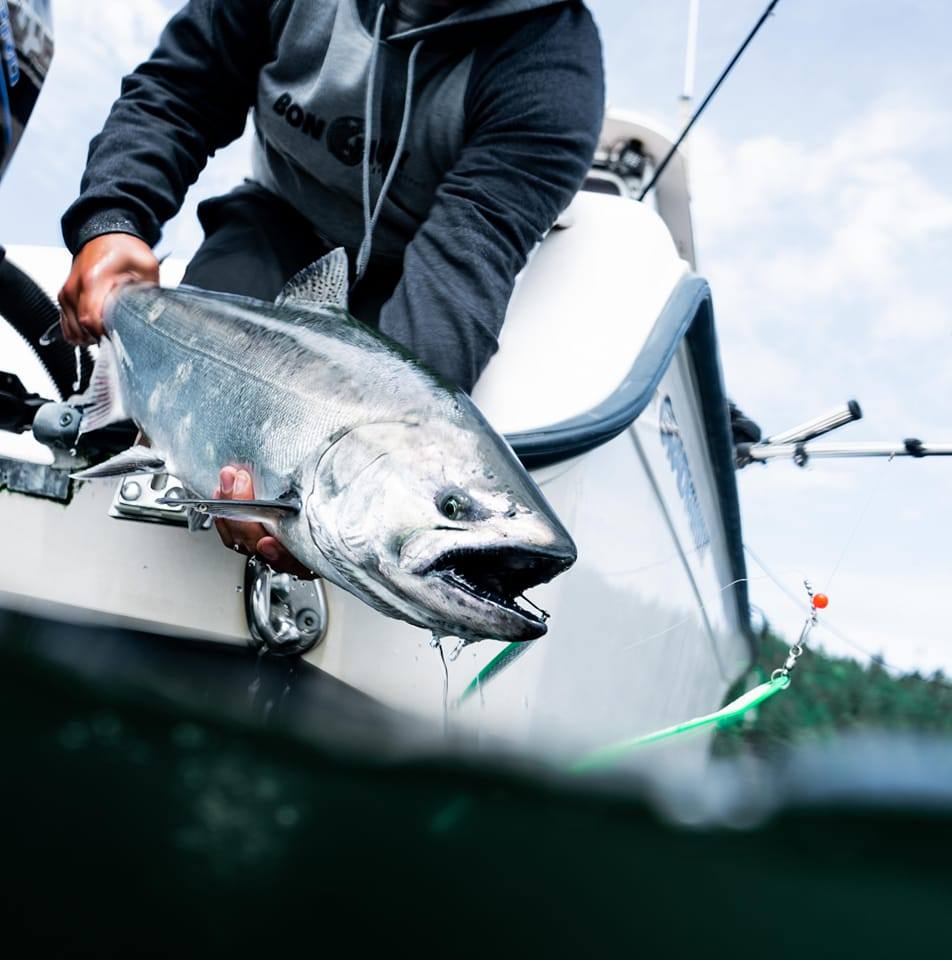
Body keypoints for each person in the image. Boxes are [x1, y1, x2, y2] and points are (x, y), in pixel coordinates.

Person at [57, 0, 605, 574]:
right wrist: (111, 220)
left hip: (408, 273)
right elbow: (184, 88)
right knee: (184, 402)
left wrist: (338, 519)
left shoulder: (553, 67)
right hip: (273, 216)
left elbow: (464, 264)